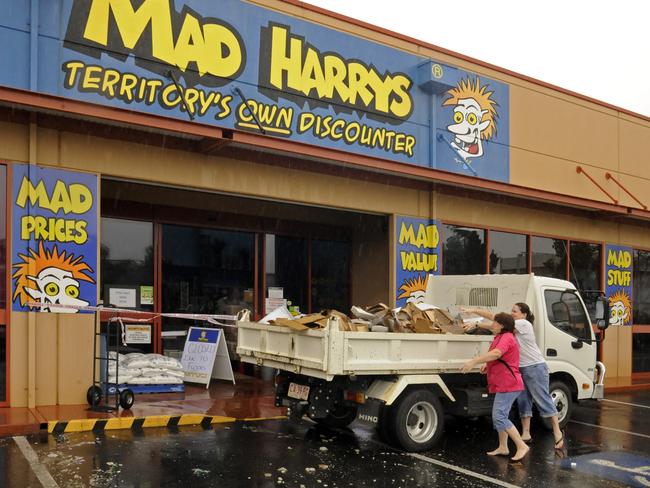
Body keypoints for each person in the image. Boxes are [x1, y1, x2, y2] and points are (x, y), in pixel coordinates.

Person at [462, 303, 565, 450]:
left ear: (524, 314)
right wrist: (473, 311)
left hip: (534, 367)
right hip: (519, 368)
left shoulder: (524, 324)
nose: (512, 313)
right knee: (523, 400)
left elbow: (495, 321)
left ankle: (557, 431)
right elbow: (496, 322)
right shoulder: (508, 330)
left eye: (515, 311)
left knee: (542, 398)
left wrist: (476, 321)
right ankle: (526, 433)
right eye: (511, 310)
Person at [461, 313, 529, 461]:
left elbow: (497, 353)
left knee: (499, 416)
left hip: (509, 384)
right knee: (501, 415)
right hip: (504, 383)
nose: (492, 324)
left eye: (495, 322)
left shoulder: (506, 338)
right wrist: (487, 365)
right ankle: (503, 447)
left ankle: (521, 446)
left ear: (502, 325)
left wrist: (474, 361)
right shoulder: (501, 337)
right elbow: (501, 357)